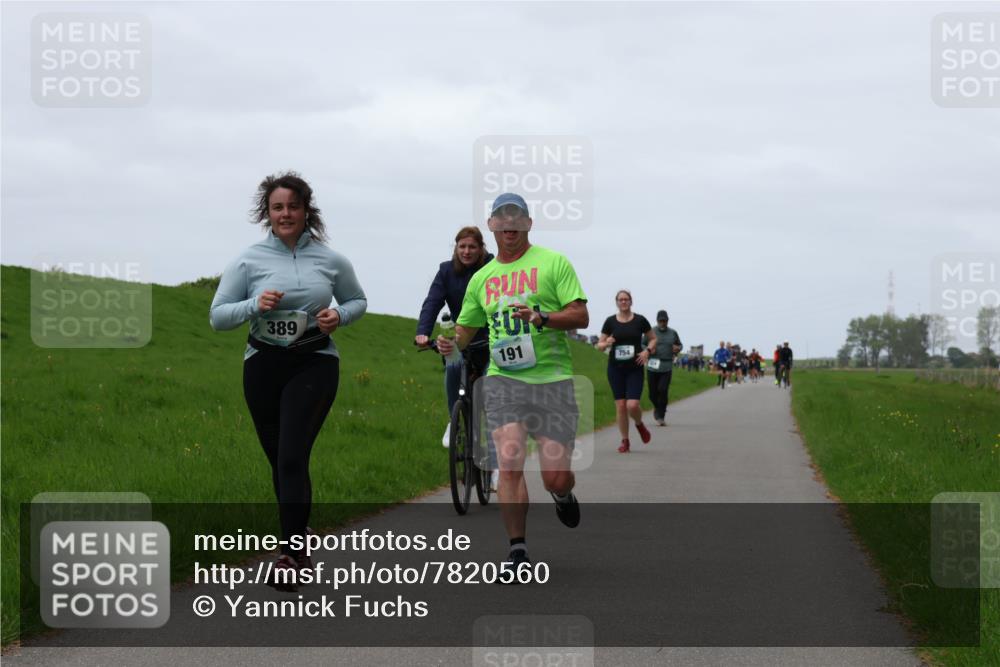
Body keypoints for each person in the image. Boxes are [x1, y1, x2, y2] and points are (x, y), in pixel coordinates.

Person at [210, 171, 367, 590]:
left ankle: (291, 554)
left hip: (314, 362)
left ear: (305, 211)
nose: (285, 214)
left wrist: (340, 315)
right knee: (279, 459)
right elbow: (217, 316)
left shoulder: (331, 260)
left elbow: (357, 300)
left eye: (293, 207)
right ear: (268, 213)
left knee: (293, 455)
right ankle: (298, 546)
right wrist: (253, 304)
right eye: (277, 207)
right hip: (262, 364)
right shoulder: (248, 260)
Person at [437, 193, 588, 572]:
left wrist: (541, 318)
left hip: (552, 380)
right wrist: (447, 342)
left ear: (528, 223)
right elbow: (466, 331)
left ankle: (563, 494)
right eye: (501, 218)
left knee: (555, 476)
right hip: (504, 381)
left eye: (516, 217)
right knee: (509, 462)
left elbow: (580, 315)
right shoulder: (482, 279)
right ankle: (516, 550)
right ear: (491, 225)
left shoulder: (553, 263)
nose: (509, 224)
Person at [414, 228, 496, 482]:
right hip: (460, 340)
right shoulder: (446, 271)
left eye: (472, 247)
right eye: (462, 247)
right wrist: (422, 332)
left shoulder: (493, 268)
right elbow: (432, 302)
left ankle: (495, 462)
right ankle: (455, 419)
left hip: (491, 341)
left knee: (491, 394)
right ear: (456, 248)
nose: (467, 252)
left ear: (481, 248)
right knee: (451, 366)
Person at [597, 291, 654, 452]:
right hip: (615, 368)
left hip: (635, 367)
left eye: (626, 299)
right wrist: (606, 342)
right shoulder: (610, 322)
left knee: (632, 405)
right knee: (621, 406)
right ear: (616, 302)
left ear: (631, 301)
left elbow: (653, 338)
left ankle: (639, 424)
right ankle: (625, 440)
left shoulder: (640, 320)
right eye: (620, 299)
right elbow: (599, 346)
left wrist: (647, 351)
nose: (623, 302)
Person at [644, 310, 682, 427]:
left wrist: (677, 348)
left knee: (663, 390)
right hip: (652, 365)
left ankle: (661, 416)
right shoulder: (651, 332)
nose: (662, 323)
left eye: (664, 320)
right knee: (652, 393)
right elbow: (642, 344)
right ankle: (657, 407)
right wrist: (649, 350)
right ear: (657, 321)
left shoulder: (673, 333)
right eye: (660, 321)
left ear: (667, 321)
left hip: (666, 365)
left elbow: (680, 345)